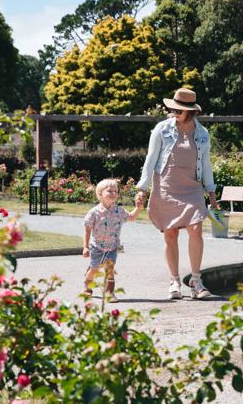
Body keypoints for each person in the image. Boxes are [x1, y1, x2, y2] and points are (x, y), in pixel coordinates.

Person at [136, 88, 218, 300]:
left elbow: (206, 164)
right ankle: (174, 280)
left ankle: (196, 280)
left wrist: (211, 191)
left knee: (196, 229)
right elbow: (151, 158)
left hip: (192, 187)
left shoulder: (202, 134)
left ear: (191, 112)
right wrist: (142, 188)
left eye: (179, 110)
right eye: (173, 108)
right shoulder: (161, 129)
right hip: (166, 186)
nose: (174, 112)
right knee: (170, 234)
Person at [83, 178, 143, 303]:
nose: (114, 193)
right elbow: (87, 230)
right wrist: (85, 247)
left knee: (110, 269)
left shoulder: (119, 211)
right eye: (110, 191)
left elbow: (131, 217)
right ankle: (87, 286)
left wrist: (138, 208)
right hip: (97, 247)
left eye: (116, 191)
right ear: (100, 194)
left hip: (112, 247)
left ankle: (109, 293)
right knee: (94, 269)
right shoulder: (94, 212)